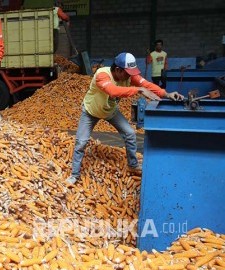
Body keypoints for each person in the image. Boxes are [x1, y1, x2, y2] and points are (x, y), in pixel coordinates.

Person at [66, 53, 183, 185]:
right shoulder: (102, 75)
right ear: (117, 70)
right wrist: (138, 89)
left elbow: (148, 85)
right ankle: (74, 175)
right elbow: (113, 91)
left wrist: (166, 94)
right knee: (81, 143)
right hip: (91, 112)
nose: (130, 76)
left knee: (130, 133)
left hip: (110, 111)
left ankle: (132, 165)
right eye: (127, 73)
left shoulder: (130, 76)